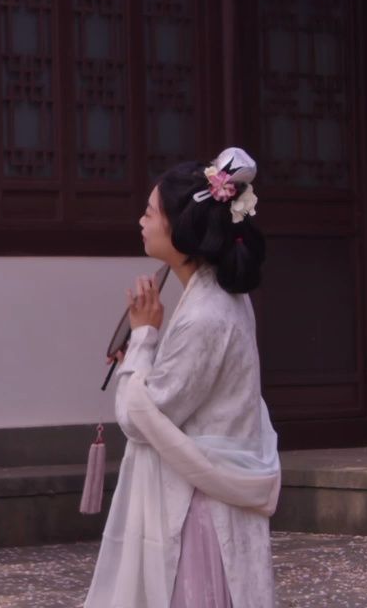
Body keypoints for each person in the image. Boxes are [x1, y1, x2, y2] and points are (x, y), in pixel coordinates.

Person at [86, 147, 280, 608]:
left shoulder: (205, 316)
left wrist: (145, 338)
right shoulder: (216, 298)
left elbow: (142, 416)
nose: (142, 220)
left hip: (200, 509)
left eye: (150, 212)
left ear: (179, 228)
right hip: (208, 497)